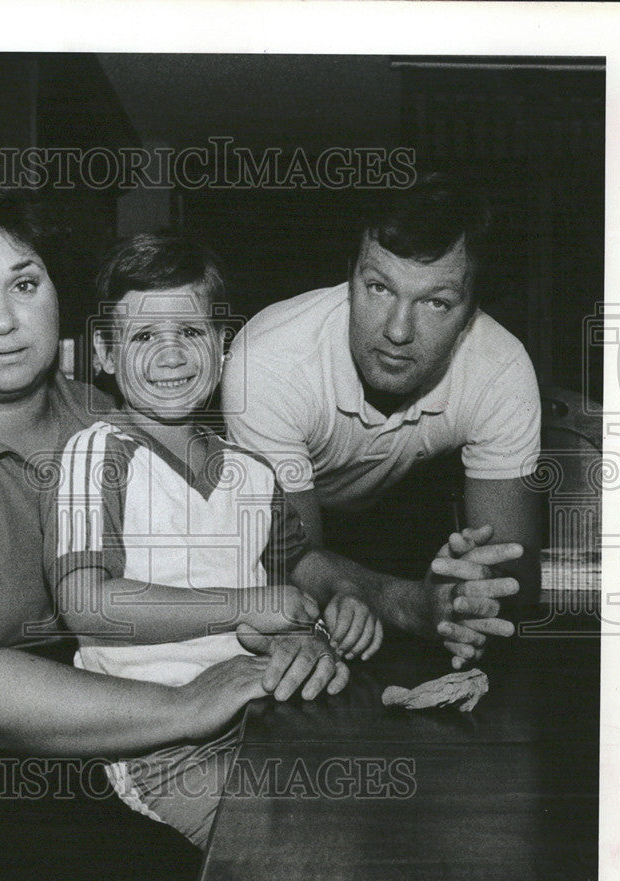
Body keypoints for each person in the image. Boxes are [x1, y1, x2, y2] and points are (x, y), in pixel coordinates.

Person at [42, 232, 524, 847]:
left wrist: (327, 623)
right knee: (295, 847)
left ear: (220, 348)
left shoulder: (250, 470)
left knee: (410, 797)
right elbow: (86, 602)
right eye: (142, 337)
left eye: (190, 333)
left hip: (263, 713)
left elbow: (288, 588)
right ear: (104, 354)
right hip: (159, 747)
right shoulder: (95, 452)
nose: (170, 356)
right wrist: (247, 607)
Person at [221, 172, 542, 667]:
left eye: (437, 302)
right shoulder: (267, 361)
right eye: (378, 287)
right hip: (280, 535)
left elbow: (511, 575)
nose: (397, 330)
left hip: (401, 522)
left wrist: (468, 599)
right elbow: (290, 562)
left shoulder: (500, 369)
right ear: (347, 277)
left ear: (471, 311)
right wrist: (416, 607)